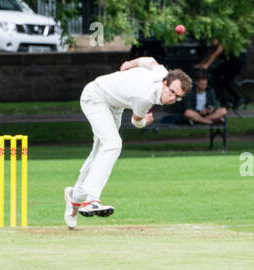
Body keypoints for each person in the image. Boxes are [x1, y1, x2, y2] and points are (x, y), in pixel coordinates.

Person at [63, 56, 192, 228]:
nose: (172, 98)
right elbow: (135, 121)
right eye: (171, 92)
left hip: (114, 105)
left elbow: (149, 61)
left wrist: (128, 64)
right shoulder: (144, 98)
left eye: (178, 97)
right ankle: (91, 200)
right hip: (95, 97)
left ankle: (75, 198)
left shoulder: (161, 72)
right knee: (113, 144)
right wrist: (146, 121)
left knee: (100, 152)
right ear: (164, 82)